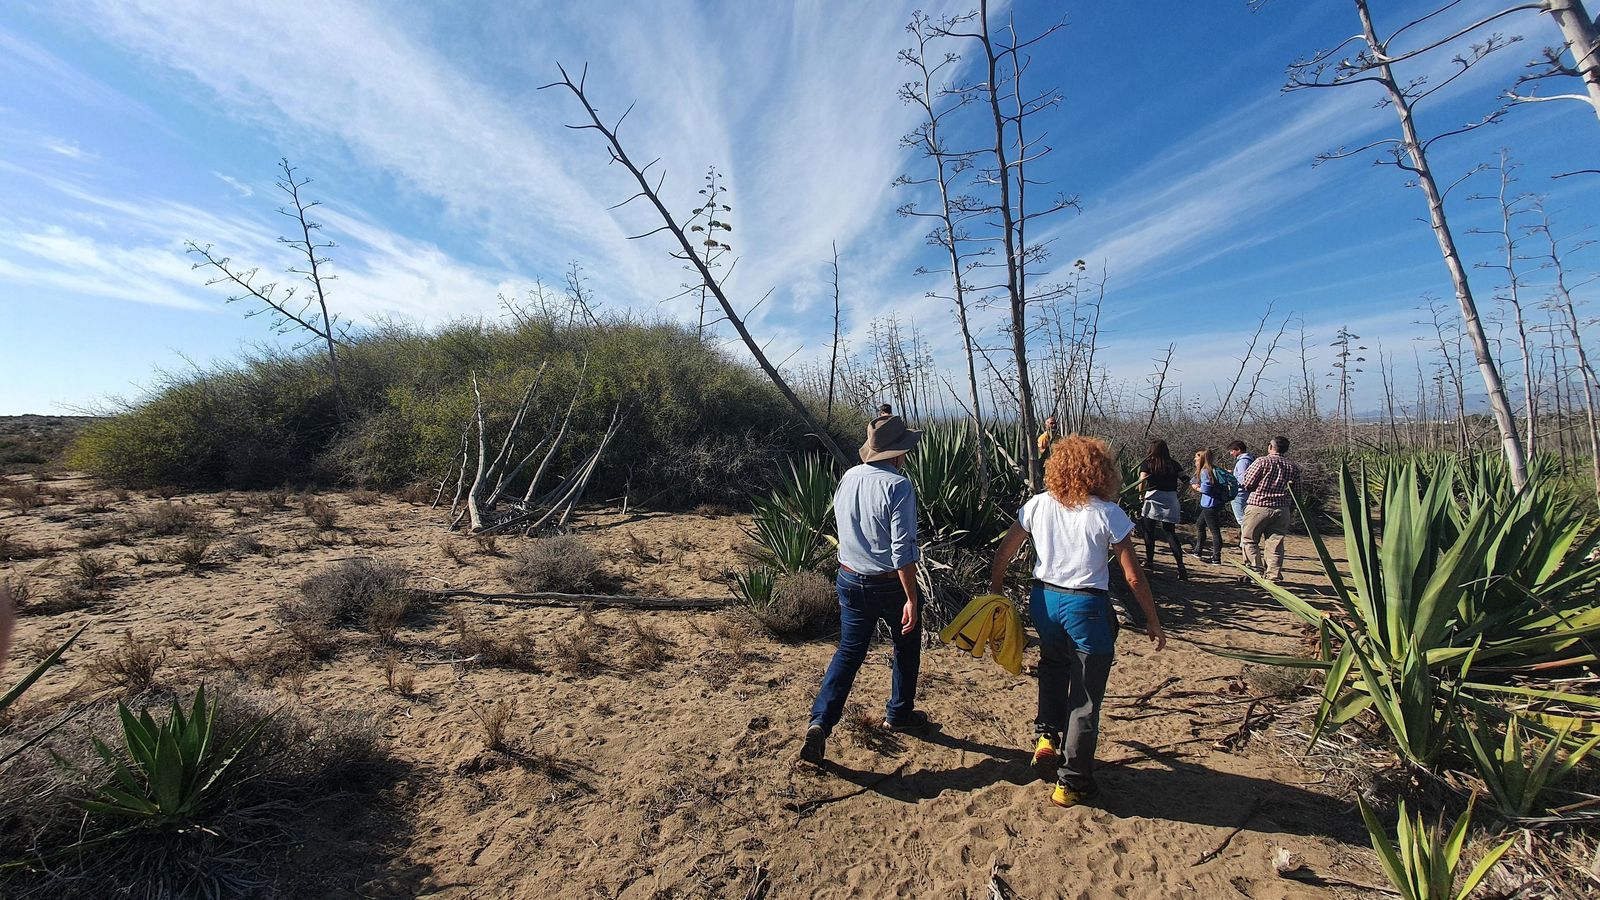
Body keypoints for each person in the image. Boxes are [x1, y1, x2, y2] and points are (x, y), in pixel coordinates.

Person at [988, 435, 1166, 808]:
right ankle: (1072, 781)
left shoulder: (1037, 506)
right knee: (1085, 697)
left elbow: (1005, 552)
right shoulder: (1107, 513)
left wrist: (996, 591)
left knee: (1053, 665)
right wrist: (1152, 619)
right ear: (1101, 471)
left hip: (1045, 601)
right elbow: (1133, 576)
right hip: (1086, 607)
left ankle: (1046, 738)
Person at [801, 410, 928, 764]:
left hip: (849, 578)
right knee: (906, 644)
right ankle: (899, 712)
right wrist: (911, 598)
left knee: (848, 652)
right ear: (900, 452)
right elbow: (902, 551)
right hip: (888, 583)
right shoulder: (899, 486)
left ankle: (821, 723)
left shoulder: (849, 477)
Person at [1240, 435, 1301, 584]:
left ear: (1270, 447)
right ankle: (1273, 576)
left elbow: (1247, 483)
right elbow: (1297, 492)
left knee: (1249, 540)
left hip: (1259, 506)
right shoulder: (1292, 466)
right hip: (1282, 509)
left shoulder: (1261, 461)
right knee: (1275, 542)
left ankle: (1255, 572)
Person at [1137, 439, 1188, 580]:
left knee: (1149, 532)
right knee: (1170, 533)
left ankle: (1150, 561)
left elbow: (1141, 481)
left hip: (1152, 498)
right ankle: (1180, 565)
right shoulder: (1173, 464)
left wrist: (1140, 496)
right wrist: (1179, 494)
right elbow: (1186, 480)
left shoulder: (1148, 463)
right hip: (1170, 499)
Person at [1190, 449, 1224, 565]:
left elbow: (1206, 489)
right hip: (1214, 503)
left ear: (1202, 458)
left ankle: (1216, 557)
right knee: (1200, 524)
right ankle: (1198, 550)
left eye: (1197, 457)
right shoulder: (1213, 469)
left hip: (1210, 504)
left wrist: (1196, 487)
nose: (1195, 459)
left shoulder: (1205, 471)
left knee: (1214, 531)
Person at [1226, 440, 1255, 529]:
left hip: (1240, 493)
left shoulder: (1243, 462)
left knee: (1242, 520)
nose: (1231, 453)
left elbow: (1242, 480)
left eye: (1232, 451)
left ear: (1238, 450)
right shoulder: (1250, 460)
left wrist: (1231, 479)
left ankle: (1245, 540)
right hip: (1246, 493)